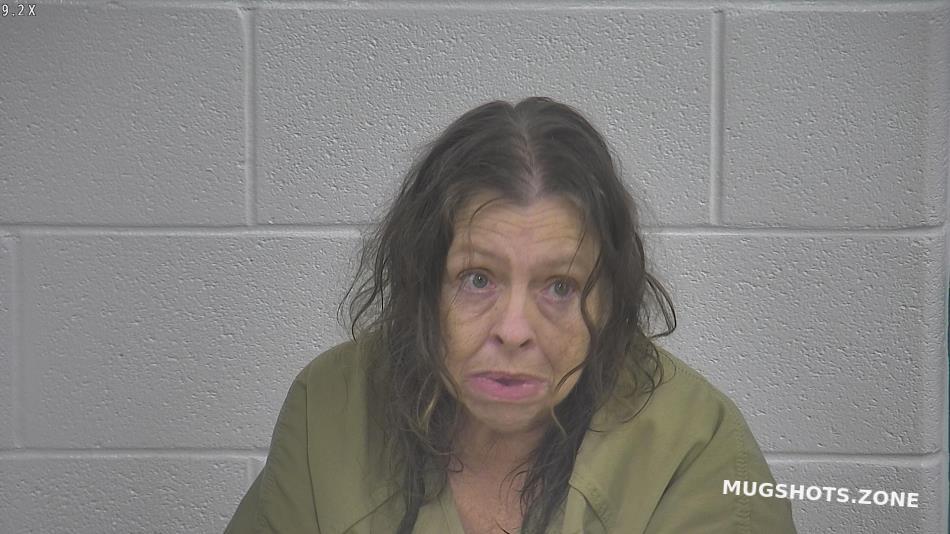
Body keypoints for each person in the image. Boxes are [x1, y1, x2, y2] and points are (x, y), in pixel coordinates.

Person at [224, 97, 798, 533]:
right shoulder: (330, 408)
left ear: (611, 303)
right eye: (477, 279)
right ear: (422, 285)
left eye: (560, 287)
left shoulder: (695, 446)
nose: (514, 331)